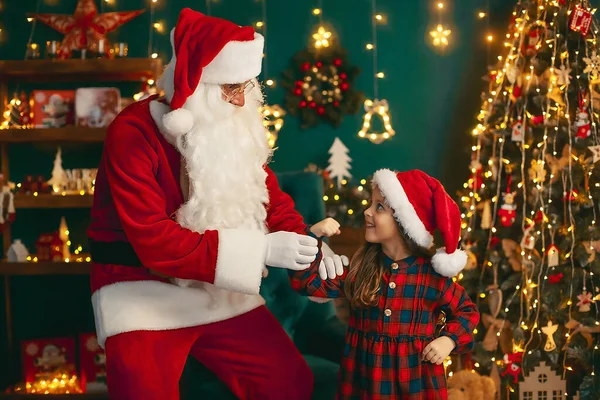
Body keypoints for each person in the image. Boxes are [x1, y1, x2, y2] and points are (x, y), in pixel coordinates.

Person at [87, 8, 346, 400]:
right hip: (141, 289)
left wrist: (309, 254)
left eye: (247, 86)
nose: (242, 102)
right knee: (143, 392)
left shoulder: (233, 129)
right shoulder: (133, 133)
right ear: (197, 87)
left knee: (287, 381)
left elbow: (272, 202)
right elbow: (152, 240)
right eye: (230, 88)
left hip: (216, 288)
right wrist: (260, 249)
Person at [290, 169, 480, 399]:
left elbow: (467, 312)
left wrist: (448, 340)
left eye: (379, 207)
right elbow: (307, 283)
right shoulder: (361, 269)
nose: (367, 212)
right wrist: (312, 236)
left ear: (403, 221)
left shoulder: (431, 276)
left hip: (416, 382)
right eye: (371, 203)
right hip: (364, 381)